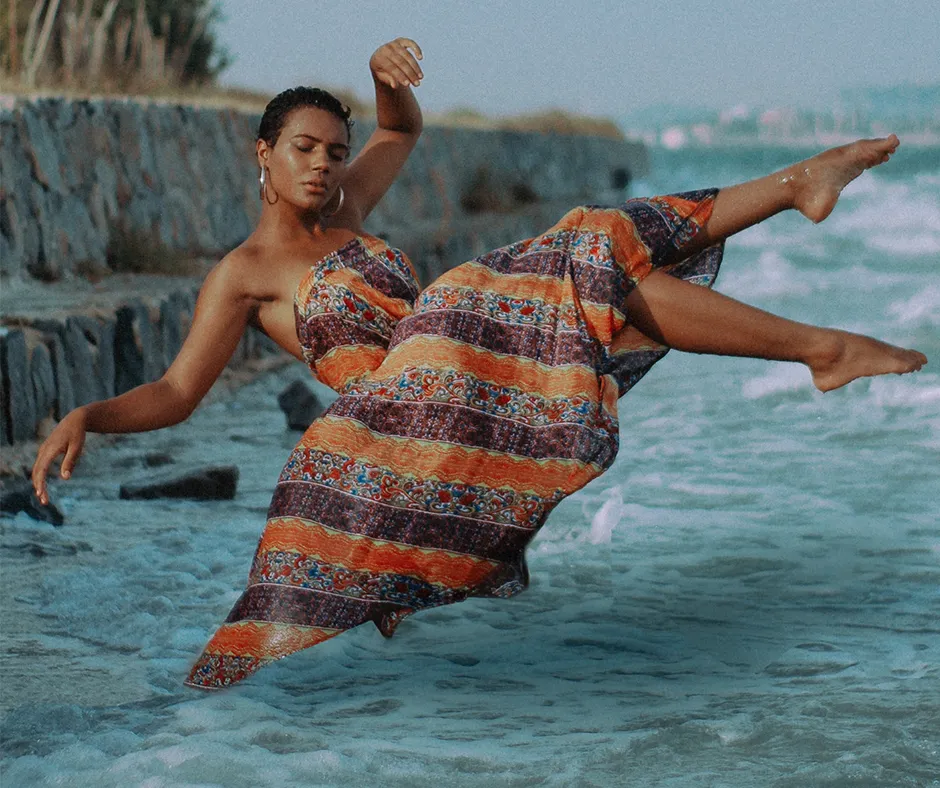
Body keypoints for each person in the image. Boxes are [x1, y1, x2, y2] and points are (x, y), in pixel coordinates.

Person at [31, 38, 927, 689]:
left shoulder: (347, 207)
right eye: (303, 149)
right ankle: (814, 290)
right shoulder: (243, 275)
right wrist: (90, 417)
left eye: (335, 152)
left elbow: (403, 125)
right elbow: (180, 391)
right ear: (263, 155)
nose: (323, 165)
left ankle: (813, 274)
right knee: (571, 251)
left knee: (599, 257)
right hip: (404, 403)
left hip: (460, 363)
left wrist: (387, 81)